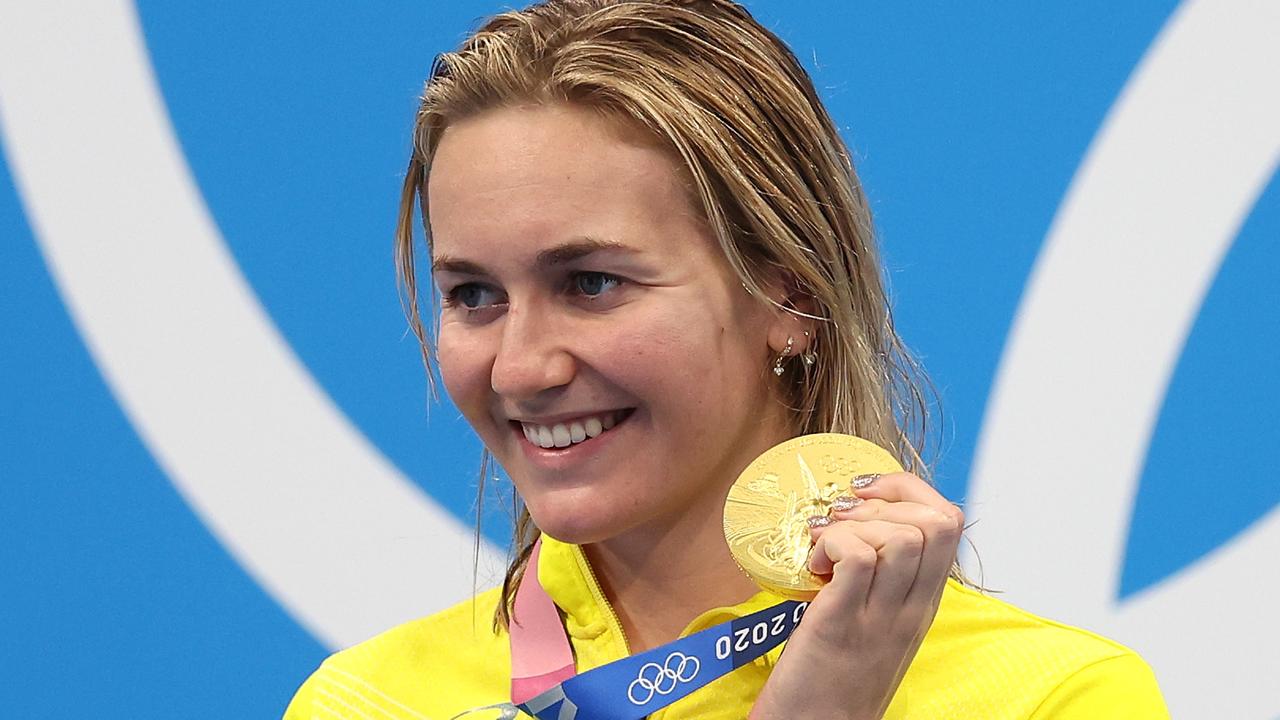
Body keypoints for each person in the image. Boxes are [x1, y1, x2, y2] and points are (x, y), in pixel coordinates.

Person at [285, 1, 1169, 717]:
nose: (520, 369)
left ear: (791, 299)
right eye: (474, 295)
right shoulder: (373, 702)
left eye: (591, 282)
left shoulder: (1051, 697)